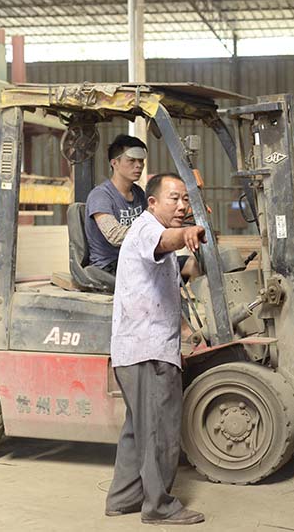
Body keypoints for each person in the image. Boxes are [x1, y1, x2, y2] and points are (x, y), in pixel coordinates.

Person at [105, 173, 206, 526]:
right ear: (152, 202)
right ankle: (159, 507)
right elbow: (166, 240)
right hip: (148, 351)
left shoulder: (149, 235)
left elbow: (174, 270)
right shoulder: (147, 228)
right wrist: (186, 234)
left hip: (136, 350)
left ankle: (122, 498)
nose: (182, 206)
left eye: (185, 200)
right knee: (159, 430)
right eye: (174, 198)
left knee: (138, 430)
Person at [84, 134, 148, 274]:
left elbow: (152, 222)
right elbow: (115, 235)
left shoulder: (139, 193)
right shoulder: (101, 195)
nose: (138, 165)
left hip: (134, 259)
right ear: (114, 163)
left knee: (189, 264)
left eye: (141, 161)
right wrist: (156, 234)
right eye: (131, 160)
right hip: (109, 265)